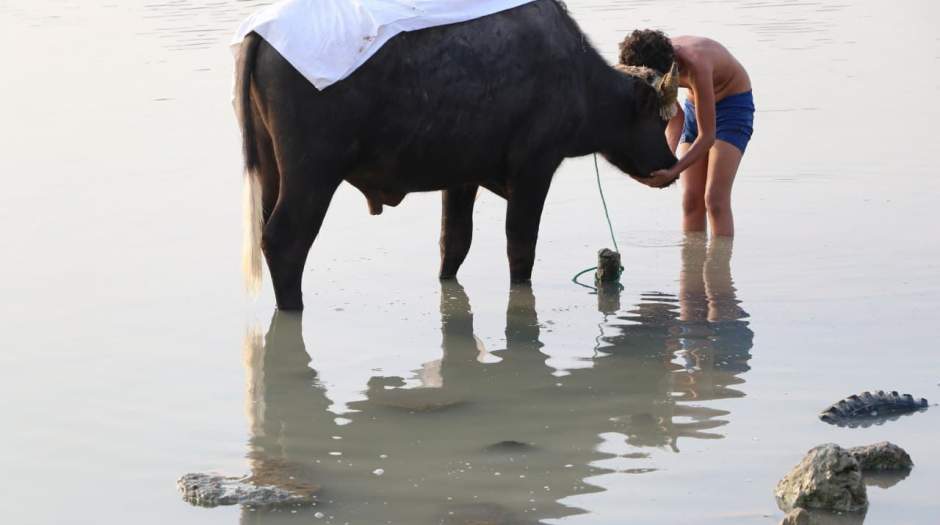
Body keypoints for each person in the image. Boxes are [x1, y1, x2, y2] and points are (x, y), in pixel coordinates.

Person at [619, 30, 754, 237]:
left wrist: (674, 172)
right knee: (690, 199)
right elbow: (675, 117)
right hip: (695, 106)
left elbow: (707, 136)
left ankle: (719, 267)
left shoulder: (696, 63)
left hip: (732, 107)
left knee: (714, 199)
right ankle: (691, 267)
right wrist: (667, 162)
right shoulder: (645, 67)